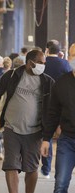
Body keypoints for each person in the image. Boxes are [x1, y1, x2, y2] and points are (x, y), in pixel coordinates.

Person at [0, 50, 54, 193]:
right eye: (40, 63)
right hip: (12, 128)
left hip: (35, 131)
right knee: (11, 164)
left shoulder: (47, 81)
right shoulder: (11, 76)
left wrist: (51, 131)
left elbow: (53, 107)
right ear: (30, 62)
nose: (43, 66)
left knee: (31, 167)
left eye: (44, 63)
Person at [40, 43, 75, 193]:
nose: (74, 59)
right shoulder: (61, 83)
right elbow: (53, 113)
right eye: (72, 55)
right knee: (60, 184)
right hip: (67, 140)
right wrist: (46, 138)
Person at [39, 39, 72, 179]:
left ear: (46, 50)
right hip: (64, 105)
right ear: (60, 51)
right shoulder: (65, 64)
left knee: (46, 135)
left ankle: (46, 169)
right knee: (65, 137)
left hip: (44, 104)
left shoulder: (43, 64)